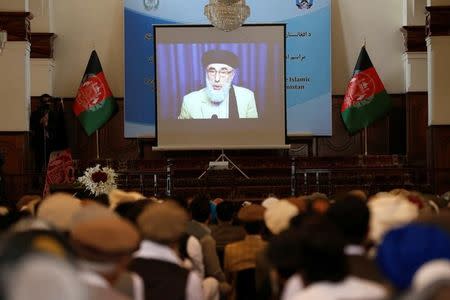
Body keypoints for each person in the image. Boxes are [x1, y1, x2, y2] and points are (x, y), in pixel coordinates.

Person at [178, 49, 258, 119]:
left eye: (223, 72)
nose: (217, 79)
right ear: (206, 73)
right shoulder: (189, 101)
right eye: (212, 71)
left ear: (232, 75)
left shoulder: (247, 97)